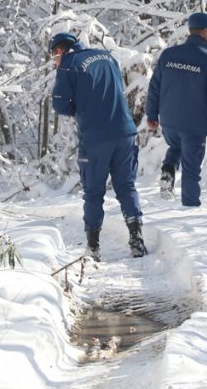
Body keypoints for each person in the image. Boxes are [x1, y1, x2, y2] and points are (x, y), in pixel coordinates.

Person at [49, 32, 147, 260]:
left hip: (95, 138)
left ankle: (93, 248)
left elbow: (61, 104)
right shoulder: (107, 57)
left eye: (54, 55)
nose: (54, 60)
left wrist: (80, 108)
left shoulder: (68, 65)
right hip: (125, 132)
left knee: (93, 193)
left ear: (60, 50)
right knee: (127, 187)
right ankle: (136, 239)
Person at [145, 12, 207, 207]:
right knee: (191, 170)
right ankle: (190, 209)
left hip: (169, 121)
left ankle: (168, 169)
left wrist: (151, 114)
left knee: (176, 147)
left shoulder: (168, 54)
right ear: (205, 31)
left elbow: (154, 87)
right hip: (194, 123)